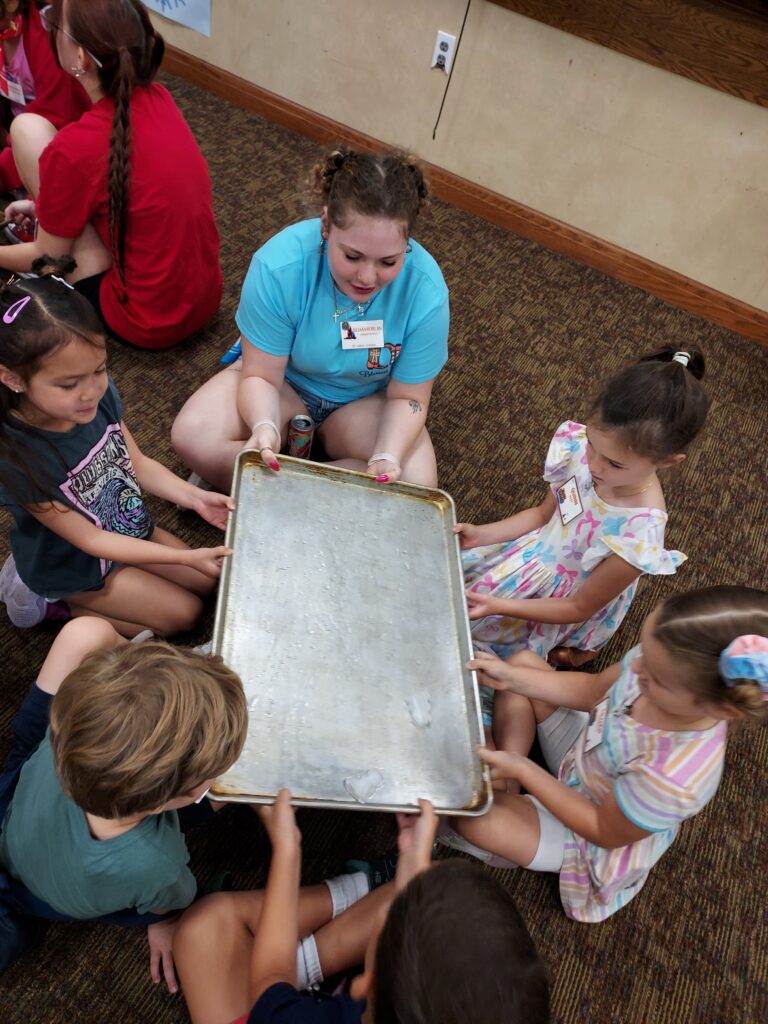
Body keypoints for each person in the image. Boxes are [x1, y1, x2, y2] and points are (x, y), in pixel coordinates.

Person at [440, 585, 768, 923]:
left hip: (590, 828)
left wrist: (526, 770)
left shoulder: (676, 780)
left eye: (655, 680)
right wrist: (511, 678)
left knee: (474, 818)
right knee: (521, 665)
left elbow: (601, 829)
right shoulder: (658, 660)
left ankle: (508, 809)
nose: (635, 670)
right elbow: (592, 691)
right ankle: (507, 786)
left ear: (724, 709)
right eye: (643, 653)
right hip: (588, 756)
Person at [171, 146, 449, 491]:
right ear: (325, 224)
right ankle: (324, 485)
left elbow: (409, 397)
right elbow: (261, 375)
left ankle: (265, 481)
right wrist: (264, 426)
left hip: (362, 402)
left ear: (407, 242)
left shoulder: (426, 291)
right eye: (352, 256)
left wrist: (387, 455)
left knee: (417, 483)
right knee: (192, 434)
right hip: (284, 383)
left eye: (388, 262)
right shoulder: (279, 265)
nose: (367, 277)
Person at [0, 618, 248, 982]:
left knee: (85, 633)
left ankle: (159, 689)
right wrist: (167, 919)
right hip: (57, 884)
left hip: (20, 815)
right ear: (189, 794)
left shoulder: (73, 736)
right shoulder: (158, 861)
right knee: (243, 784)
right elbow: (176, 899)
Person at [457, 348, 709, 694]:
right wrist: (481, 535)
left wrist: (498, 605)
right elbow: (543, 515)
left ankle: (581, 650)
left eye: (615, 464)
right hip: (535, 551)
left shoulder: (640, 534)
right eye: (591, 444)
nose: (593, 465)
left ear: (668, 461)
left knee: (483, 665)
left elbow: (579, 606)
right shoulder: (582, 453)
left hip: (566, 598)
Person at [173, 793, 550, 1024]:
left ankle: (296, 962)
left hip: (275, 1006)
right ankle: (316, 951)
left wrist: (287, 847)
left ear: (361, 986)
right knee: (425, 892)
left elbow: (270, 975)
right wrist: (412, 859)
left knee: (201, 928)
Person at [0, 268, 233, 636]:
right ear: (13, 378)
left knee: (207, 583)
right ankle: (50, 601)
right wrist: (183, 557)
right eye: (68, 384)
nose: (92, 391)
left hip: (124, 527)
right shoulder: (16, 457)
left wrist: (196, 497)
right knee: (185, 616)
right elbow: (91, 540)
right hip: (73, 563)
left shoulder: (95, 397)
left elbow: (136, 462)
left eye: (99, 369)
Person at [0, 0, 221, 349]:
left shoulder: (74, 148)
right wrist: (48, 208)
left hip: (141, 322)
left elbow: (49, 257)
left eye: (53, 23)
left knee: (26, 129)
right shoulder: (159, 97)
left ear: (81, 57)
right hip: (202, 301)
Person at [0, 1, 90, 195]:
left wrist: (4, 170)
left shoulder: (48, 30)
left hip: (53, 147)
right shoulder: (6, 24)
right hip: (17, 138)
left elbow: (58, 118)